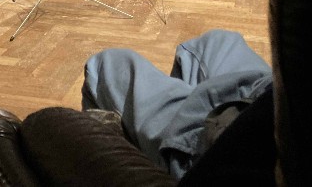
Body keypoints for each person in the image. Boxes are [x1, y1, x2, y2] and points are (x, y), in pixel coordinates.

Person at [82, 29, 273, 181]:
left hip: (234, 151)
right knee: (217, 40)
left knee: (105, 63)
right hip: (264, 96)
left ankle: (171, 158)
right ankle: (166, 136)